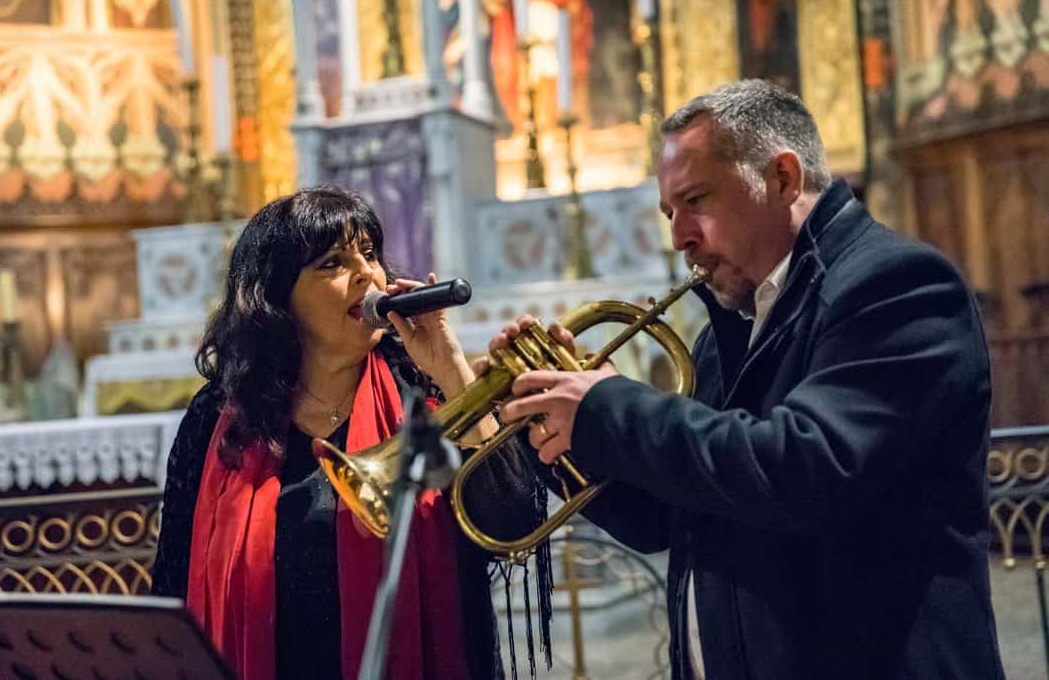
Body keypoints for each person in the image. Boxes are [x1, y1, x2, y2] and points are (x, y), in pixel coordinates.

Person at [480, 79, 1005, 679]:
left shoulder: (898, 285)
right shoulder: (730, 325)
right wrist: (556, 420)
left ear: (782, 178)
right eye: (669, 213)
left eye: (696, 200)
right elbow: (662, 519)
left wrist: (609, 408)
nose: (679, 236)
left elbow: (804, 469)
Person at [152, 186, 550, 680]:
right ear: (277, 298)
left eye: (369, 253)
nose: (368, 273)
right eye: (333, 263)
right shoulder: (218, 419)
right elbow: (171, 583)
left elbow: (512, 524)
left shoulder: (424, 397)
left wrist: (450, 368)